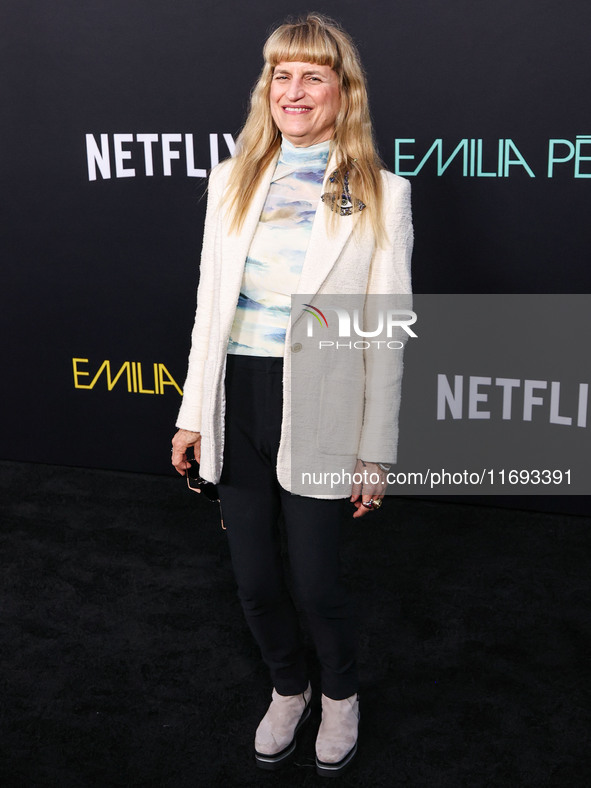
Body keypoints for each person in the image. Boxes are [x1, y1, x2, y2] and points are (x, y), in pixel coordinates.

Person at [171, 13, 413, 776]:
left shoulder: (382, 192)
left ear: (343, 91)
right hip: (235, 395)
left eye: (313, 74)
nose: (294, 89)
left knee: (315, 581)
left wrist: (374, 454)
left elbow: (385, 334)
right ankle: (288, 686)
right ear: (265, 87)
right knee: (251, 576)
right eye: (282, 73)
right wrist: (190, 415)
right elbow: (211, 310)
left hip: (318, 404)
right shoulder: (230, 179)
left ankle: (339, 695)